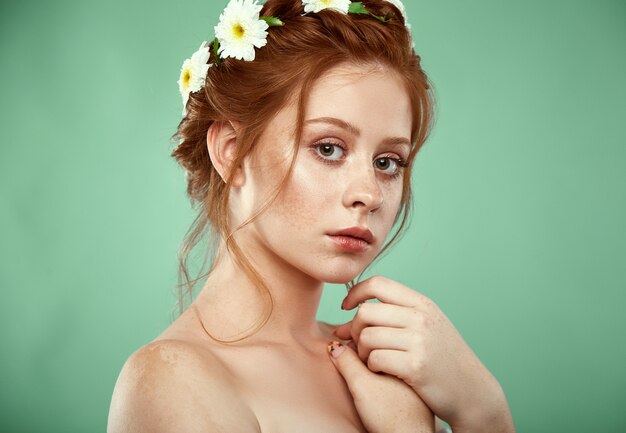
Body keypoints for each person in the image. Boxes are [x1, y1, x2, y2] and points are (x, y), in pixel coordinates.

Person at [107, 1, 516, 432]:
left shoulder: (389, 365)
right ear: (232, 151)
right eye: (328, 148)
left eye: (388, 161)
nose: (369, 194)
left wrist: (482, 408)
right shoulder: (173, 380)